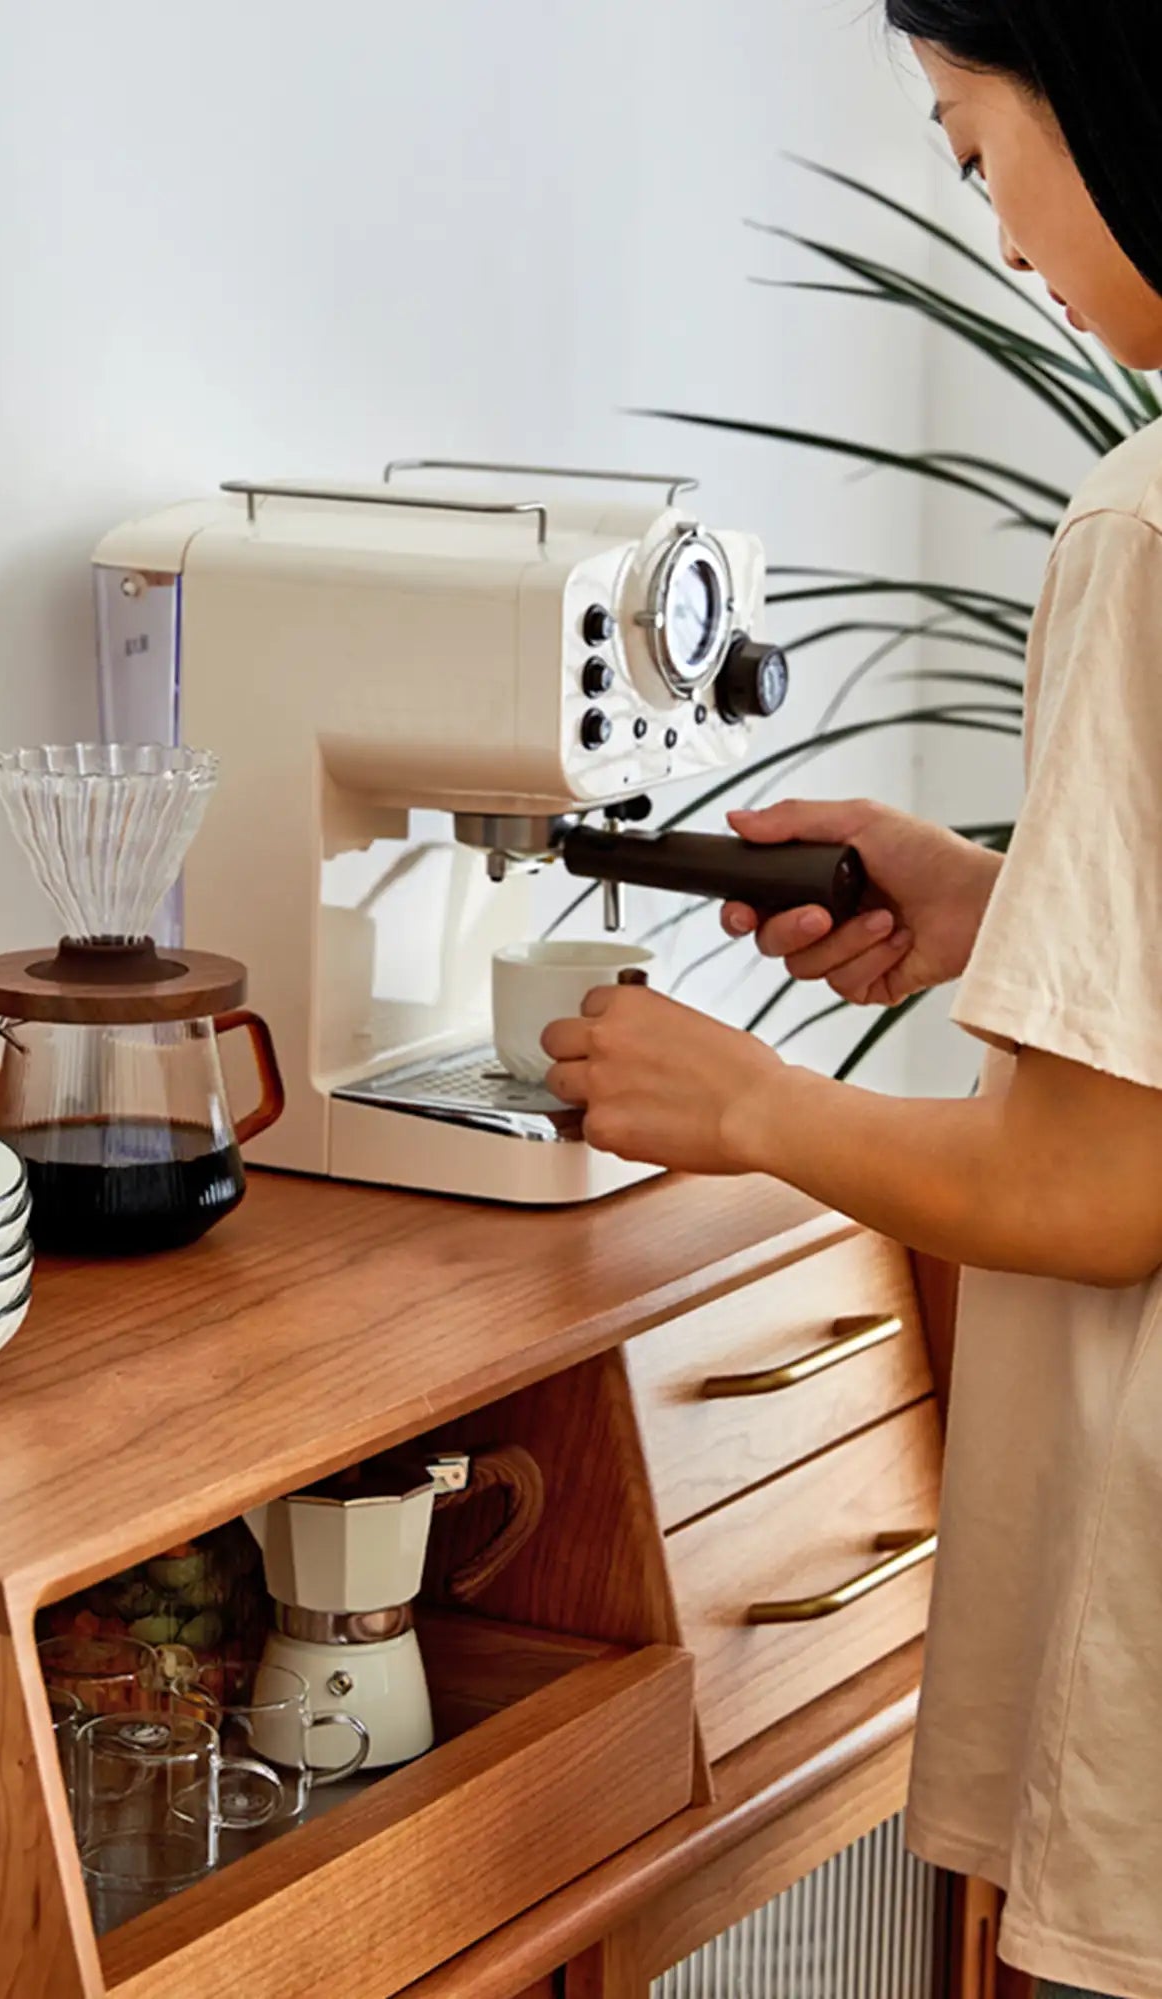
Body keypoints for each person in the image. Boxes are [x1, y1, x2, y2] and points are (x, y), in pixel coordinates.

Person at [541, 8, 1162, 1998]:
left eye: (978, 153)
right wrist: (1012, 906)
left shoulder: (1145, 528)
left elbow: (1097, 1191)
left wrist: (740, 1105)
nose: (999, 235)